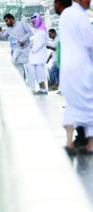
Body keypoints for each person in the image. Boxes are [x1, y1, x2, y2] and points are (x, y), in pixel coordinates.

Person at [58, 0, 93, 153]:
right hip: (82, 66)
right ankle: (91, 144)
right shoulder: (81, 16)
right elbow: (89, 43)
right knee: (90, 103)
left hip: (66, 68)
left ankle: (69, 142)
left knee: (71, 103)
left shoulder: (65, 14)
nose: (90, 1)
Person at [0, 13, 33, 80]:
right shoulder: (9, 29)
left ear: (11, 19)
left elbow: (30, 32)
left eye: (7, 21)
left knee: (29, 68)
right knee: (17, 67)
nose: (6, 23)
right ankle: (21, 84)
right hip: (17, 50)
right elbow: (2, 37)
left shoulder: (22, 24)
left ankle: (32, 87)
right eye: (5, 21)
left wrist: (22, 40)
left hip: (26, 49)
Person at [26, 14, 48, 95]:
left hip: (39, 56)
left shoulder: (41, 32)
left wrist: (33, 49)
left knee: (40, 74)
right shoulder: (38, 31)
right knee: (38, 74)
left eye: (33, 22)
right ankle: (42, 89)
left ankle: (44, 89)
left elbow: (40, 43)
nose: (32, 23)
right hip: (37, 56)